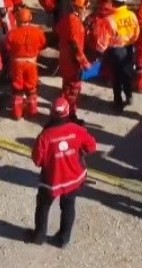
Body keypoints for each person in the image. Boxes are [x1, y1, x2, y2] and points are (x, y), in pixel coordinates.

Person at [28, 98, 98, 248]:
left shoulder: (45, 136)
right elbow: (92, 146)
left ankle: (39, 236)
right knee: (68, 206)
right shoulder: (77, 130)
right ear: (68, 113)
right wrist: (78, 152)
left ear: (51, 113)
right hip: (74, 178)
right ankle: (63, 239)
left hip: (51, 180)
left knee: (43, 206)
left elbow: (37, 160)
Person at [93, 0, 139, 111]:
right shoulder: (132, 15)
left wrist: (99, 52)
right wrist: (130, 43)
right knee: (127, 73)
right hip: (129, 49)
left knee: (116, 78)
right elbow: (136, 33)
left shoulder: (109, 20)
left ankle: (117, 103)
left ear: (114, 1)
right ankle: (129, 96)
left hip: (115, 51)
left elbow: (103, 40)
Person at [6, 6, 47, 120]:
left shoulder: (12, 33)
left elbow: (8, 48)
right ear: (30, 18)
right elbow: (43, 44)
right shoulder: (38, 32)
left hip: (17, 64)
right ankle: (32, 112)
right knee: (31, 88)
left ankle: (17, 114)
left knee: (17, 88)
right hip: (32, 63)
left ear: (17, 19)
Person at [56, 0, 92, 119]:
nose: (86, 10)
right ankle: (70, 113)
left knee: (67, 85)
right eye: (85, 8)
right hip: (72, 60)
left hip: (65, 57)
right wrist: (84, 62)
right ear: (79, 7)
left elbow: (59, 32)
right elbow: (75, 45)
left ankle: (64, 108)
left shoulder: (67, 18)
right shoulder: (74, 22)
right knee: (73, 88)